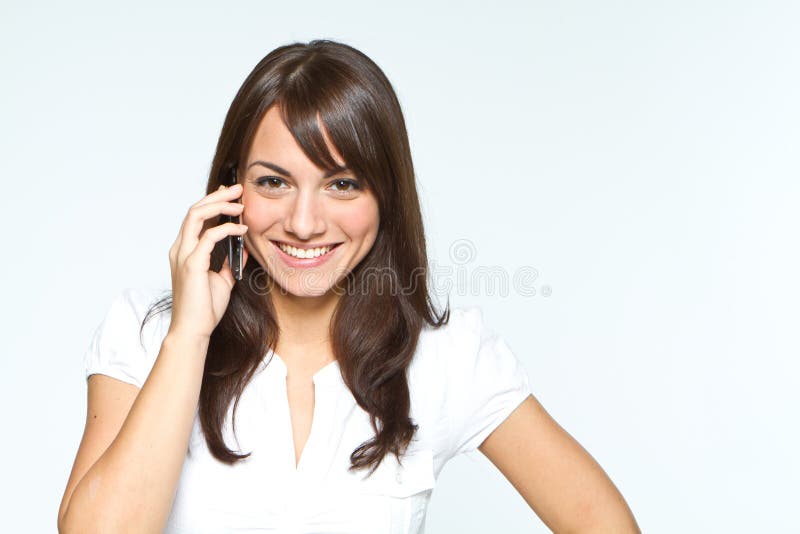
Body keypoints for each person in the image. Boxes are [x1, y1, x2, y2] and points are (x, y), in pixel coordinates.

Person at [57, 39, 640, 533]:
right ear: (231, 190)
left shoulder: (448, 356)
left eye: (342, 184)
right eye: (274, 182)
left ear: (385, 195)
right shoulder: (146, 335)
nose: (305, 222)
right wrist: (189, 336)